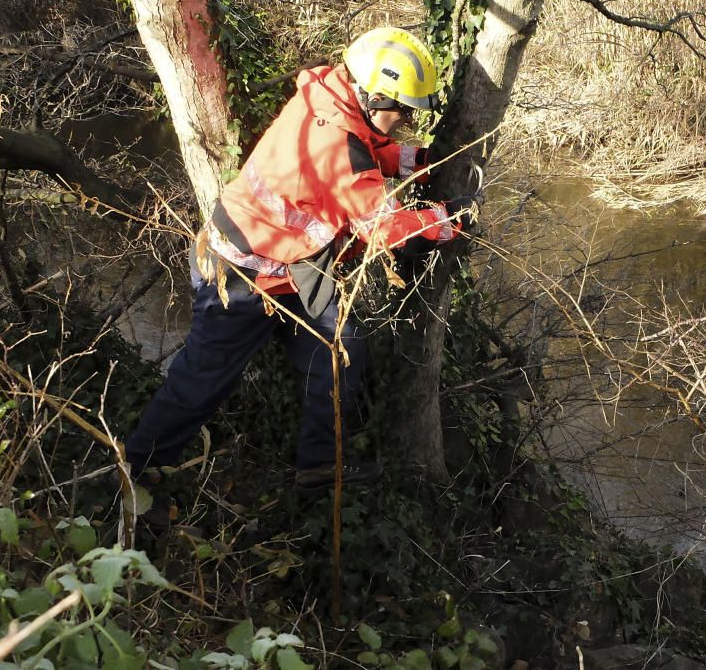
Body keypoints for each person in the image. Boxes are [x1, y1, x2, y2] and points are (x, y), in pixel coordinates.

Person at [125, 27, 477, 520]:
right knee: (201, 384)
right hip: (242, 277)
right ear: (372, 95)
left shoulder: (327, 98)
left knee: (338, 352)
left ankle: (319, 470)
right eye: (401, 110)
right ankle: (133, 472)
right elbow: (385, 228)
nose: (406, 121)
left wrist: (413, 160)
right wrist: (450, 219)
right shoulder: (341, 147)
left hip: (289, 267)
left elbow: (358, 150)